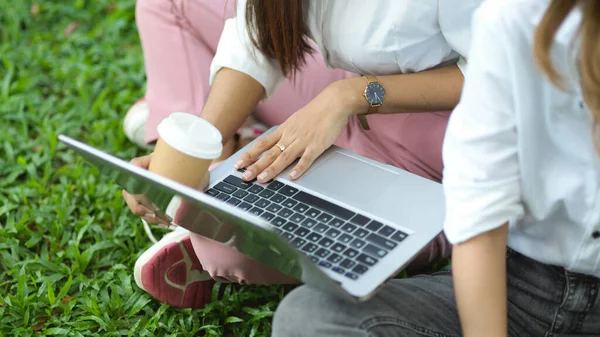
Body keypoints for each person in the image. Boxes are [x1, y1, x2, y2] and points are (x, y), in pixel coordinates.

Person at [123, 0, 483, 310]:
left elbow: (505, 72)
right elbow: (258, 39)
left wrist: (351, 96)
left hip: (432, 145)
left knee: (225, 246)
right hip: (334, 88)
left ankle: (227, 132)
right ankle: (228, 143)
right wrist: (195, 149)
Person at [272, 0, 600, 336]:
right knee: (308, 316)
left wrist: (355, 95)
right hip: (518, 284)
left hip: (416, 154)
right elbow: (482, 218)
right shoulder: (515, 20)